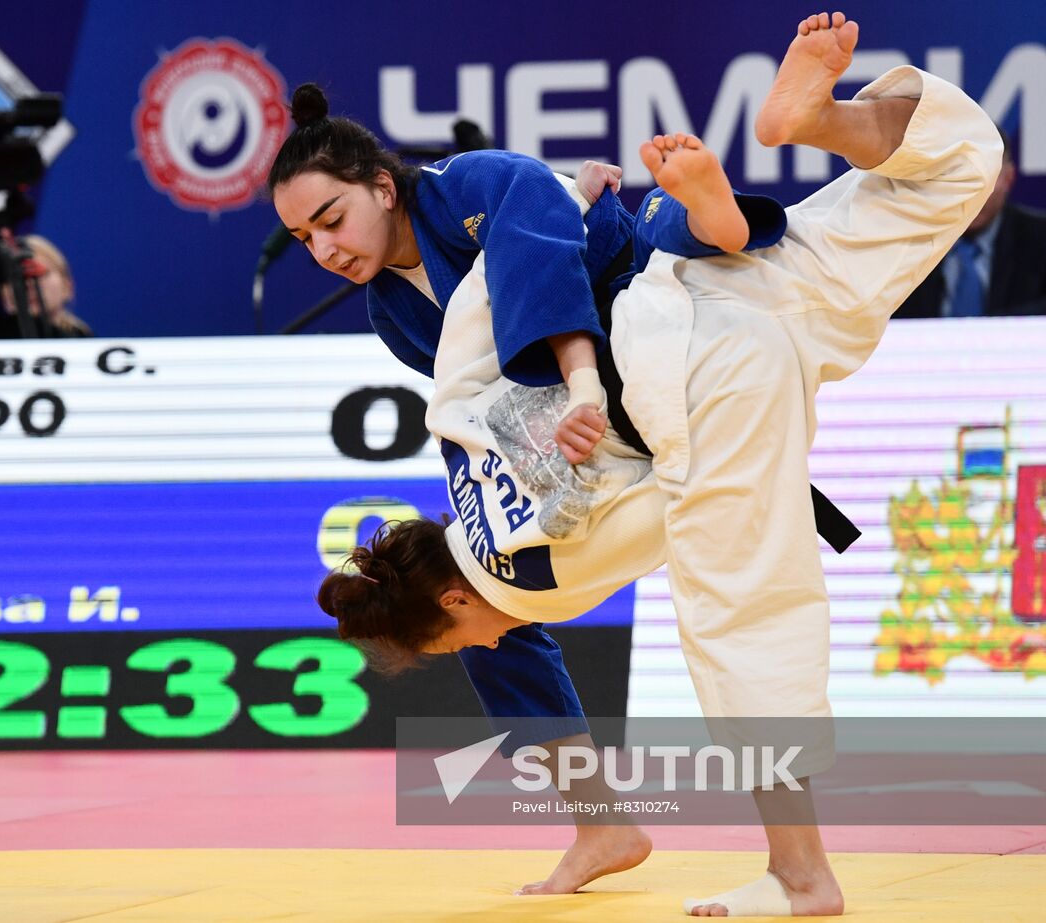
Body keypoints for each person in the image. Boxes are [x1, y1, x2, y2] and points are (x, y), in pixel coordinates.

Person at [313, 13, 1001, 918]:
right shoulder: (454, 439)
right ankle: (814, 133)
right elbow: (483, 310)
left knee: (735, 613)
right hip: (701, 286)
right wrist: (574, 208)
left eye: (457, 640)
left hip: (694, 385)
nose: (324, 249)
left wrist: (602, 395)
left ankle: (801, 874)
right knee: (955, 171)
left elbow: (673, 517)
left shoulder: (528, 578)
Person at [271, 33, 791, 903]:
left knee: (677, 234)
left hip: (633, 325)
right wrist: (509, 500)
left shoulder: (475, 180)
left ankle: (715, 210)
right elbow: (475, 405)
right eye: (302, 238)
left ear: (383, 187)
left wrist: (577, 381)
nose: (325, 248)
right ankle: (599, 820)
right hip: (560, 425)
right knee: (479, 598)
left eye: (332, 219)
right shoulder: (389, 309)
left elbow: (539, 280)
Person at [894, 129, 1046, 318]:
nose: (973, 192)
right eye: (959, 178)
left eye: (986, 177)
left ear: (1008, 178)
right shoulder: (904, 243)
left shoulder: (1039, 239)